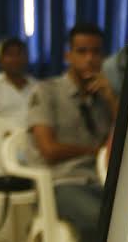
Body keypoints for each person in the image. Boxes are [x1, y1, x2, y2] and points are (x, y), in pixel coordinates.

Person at [27, 22, 116, 240]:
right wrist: (93, 152)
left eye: (96, 52)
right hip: (61, 184)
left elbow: (127, 135)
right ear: (69, 56)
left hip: (99, 181)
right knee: (100, 218)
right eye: (82, 52)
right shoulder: (47, 91)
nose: (89, 59)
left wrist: (111, 98)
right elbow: (49, 150)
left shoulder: (104, 95)